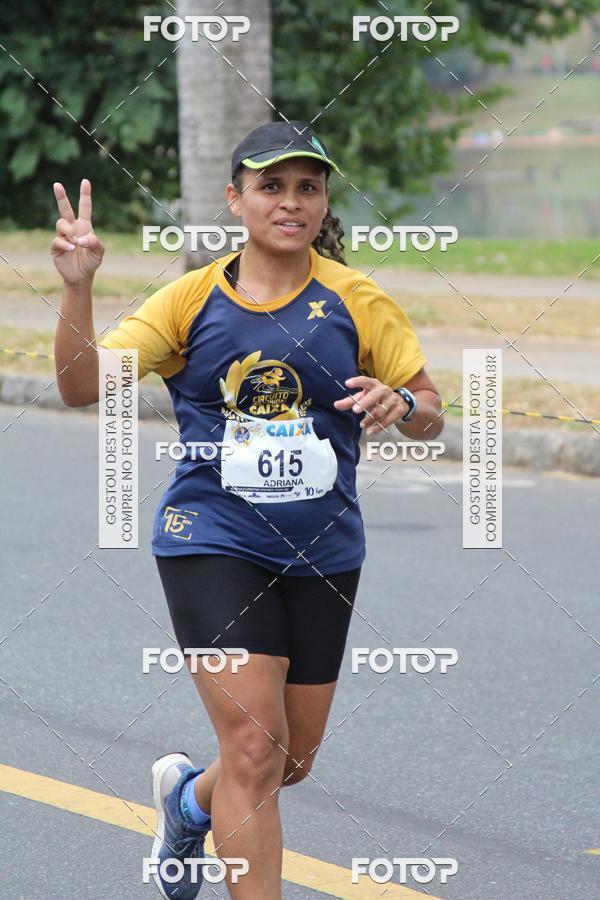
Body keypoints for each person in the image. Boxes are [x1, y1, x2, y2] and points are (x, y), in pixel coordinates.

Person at [51, 120, 444, 899]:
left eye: (307, 187)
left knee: (287, 763)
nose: (291, 202)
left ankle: (186, 800)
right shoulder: (191, 300)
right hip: (212, 537)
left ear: (323, 199)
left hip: (324, 550)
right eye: (271, 185)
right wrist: (78, 286)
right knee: (257, 747)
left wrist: (401, 402)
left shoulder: (356, 300)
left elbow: (431, 406)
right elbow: (80, 385)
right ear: (236, 199)